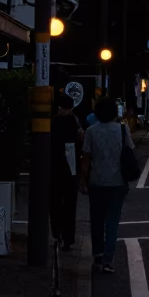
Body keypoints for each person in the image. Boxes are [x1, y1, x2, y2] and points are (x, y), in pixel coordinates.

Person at [80, 96, 136, 273]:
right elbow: (130, 150)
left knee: (96, 219)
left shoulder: (91, 131)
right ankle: (108, 260)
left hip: (97, 181)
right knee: (112, 221)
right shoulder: (122, 129)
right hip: (118, 181)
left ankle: (98, 255)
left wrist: (83, 180)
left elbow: (86, 159)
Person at [50, 92, 83, 250]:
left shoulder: (53, 122)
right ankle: (68, 237)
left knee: (55, 203)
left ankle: (56, 234)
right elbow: (81, 138)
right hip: (71, 168)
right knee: (70, 205)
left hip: (55, 167)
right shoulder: (74, 121)